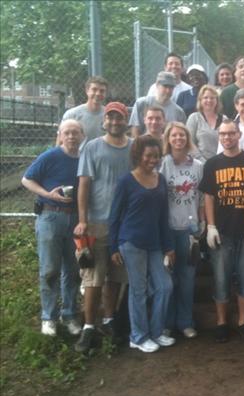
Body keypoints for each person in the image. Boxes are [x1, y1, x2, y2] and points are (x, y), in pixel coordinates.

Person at [198, 119, 244, 343]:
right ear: (219, 137)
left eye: (231, 133)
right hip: (222, 232)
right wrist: (210, 226)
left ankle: (243, 322)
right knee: (221, 278)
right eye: (223, 134)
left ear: (239, 135)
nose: (227, 138)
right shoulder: (212, 164)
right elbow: (208, 196)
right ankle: (221, 323)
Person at [73, 102, 132, 353]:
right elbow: (84, 185)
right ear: (104, 121)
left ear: (126, 121)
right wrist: (83, 220)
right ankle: (88, 327)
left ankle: (109, 319)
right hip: (97, 222)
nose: (115, 122)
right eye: (111, 118)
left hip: (124, 224)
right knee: (94, 277)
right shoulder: (93, 147)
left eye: (119, 118)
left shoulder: (133, 148)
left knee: (116, 276)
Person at [109, 136, 175, 353]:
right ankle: (138, 336)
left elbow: (163, 216)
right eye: (148, 155)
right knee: (138, 290)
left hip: (155, 243)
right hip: (131, 242)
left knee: (164, 286)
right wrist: (114, 246)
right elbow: (115, 216)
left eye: (156, 156)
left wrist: (168, 246)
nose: (153, 160)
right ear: (138, 155)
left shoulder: (161, 180)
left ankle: (156, 332)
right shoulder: (126, 181)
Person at [22, 119, 84, 337]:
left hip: (75, 219)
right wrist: (47, 194)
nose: (71, 137)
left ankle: (69, 314)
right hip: (50, 216)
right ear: (60, 135)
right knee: (49, 268)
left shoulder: (84, 159)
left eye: (75, 132)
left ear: (82, 135)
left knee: (73, 269)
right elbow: (26, 179)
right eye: (67, 132)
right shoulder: (50, 156)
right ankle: (48, 316)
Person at [160, 122, 204, 339]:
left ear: (188, 139)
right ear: (168, 139)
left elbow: (202, 197)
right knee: (169, 279)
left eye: (182, 135)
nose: (178, 139)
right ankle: (167, 323)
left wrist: (203, 223)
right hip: (169, 228)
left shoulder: (197, 166)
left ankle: (185, 322)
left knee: (187, 278)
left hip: (190, 229)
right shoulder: (163, 164)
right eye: (174, 135)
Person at [130, 71, 187, 138]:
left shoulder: (178, 112)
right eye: (165, 86)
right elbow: (135, 129)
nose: (168, 90)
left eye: (171, 87)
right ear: (157, 85)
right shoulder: (142, 103)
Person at [62, 76, 108, 147]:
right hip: (78, 156)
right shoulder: (72, 115)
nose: (98, 93)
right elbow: (60, 140)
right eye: (94, 89)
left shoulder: (109, 115)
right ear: (87, 91)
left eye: (102, 91)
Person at [186, 84, 225, 162]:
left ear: (217, 100)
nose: (209, 100)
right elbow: (189, 142)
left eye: (212, 98)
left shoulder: (224, 119)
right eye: (205, 98)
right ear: (200, 100)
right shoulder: (194, 118)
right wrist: (202, 160)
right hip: (199, 163)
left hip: (221, 162)